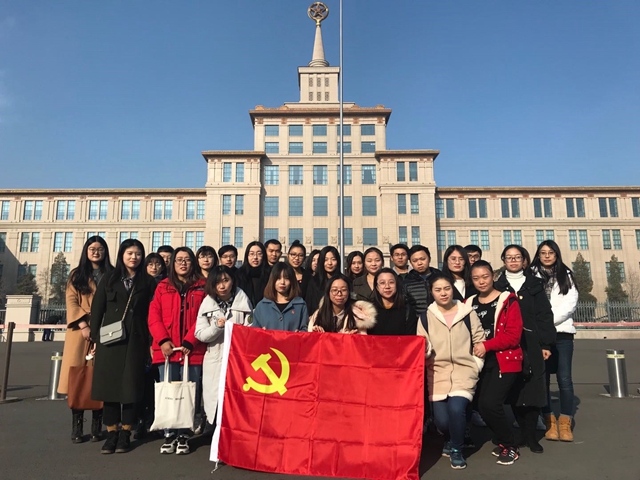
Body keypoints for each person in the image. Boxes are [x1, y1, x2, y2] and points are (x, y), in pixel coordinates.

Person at [89, 239, 156, 455]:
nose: (134, 257)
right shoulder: (109, 278)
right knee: (109, 387)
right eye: (130, 253)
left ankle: (126, 432)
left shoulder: (147, 281)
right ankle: (111, 433)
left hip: (137, 340)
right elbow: (97, 308)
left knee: (131, 386)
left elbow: (152, 312)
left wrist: (151, 341)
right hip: (110, 340)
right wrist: (95, 338)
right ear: (121, 255)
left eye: (138, 254)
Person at [416, 274, 485, 470]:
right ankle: (451, 435)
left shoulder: (467, 313)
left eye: (447, 288)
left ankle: (456, 448)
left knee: (456, 409)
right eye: (438, 290)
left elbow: (479, 339)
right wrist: (426, 351)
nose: (443, 293)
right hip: (437, 373)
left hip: (464, 371)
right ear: (431, 292)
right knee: (442, 422)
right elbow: (422, 345)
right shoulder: (425, 317)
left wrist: (476, 364)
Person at [494, 245, 555, 454]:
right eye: (509, 257)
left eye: (517, 257)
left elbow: (544, 315)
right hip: (509, 345)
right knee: (515, 389)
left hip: (532, 344)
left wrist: (545, 344)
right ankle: (520, 432)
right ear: (504, 260)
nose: (513, 260)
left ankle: (531, 436)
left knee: (534, 389)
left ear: (524, 261)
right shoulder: (498, 286)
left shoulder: (534, 285)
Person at [148, 247, 207, 455]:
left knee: (189, 393)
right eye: (179, 260)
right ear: (172, 263)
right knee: (169, 391)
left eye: (187, 260)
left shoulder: (202, 286)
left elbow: (204, 316)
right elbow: (154, 316)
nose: (183, 263)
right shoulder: (163, 286)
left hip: (192, 350)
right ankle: (169, 433)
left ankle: (184, 434)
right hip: (168, 350)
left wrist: (191, 340)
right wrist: (163, 340)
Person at [466, 261, 524, 465]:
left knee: (491, 404)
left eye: (485, 276)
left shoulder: (507, 300)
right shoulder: (468, 302)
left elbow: (513, 336)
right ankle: (502, 439)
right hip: (479, 361)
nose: (481, 281)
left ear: (493, 276)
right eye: (476, 278)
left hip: (504, 360)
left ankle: (510, 445)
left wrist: (487, 345)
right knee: (481, 405)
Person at [58, 235, 113, 444]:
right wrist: (83, 324)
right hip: (80, 332)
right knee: (78, 379)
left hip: (105, 329)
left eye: (100, 249)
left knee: (100, 378)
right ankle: (77, 427)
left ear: (105, 251)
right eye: (92, 249)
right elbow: (71, 301)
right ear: (86, 251)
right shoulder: (77, 275)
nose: (96, 252)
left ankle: (97, 427)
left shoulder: (112, 274)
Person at [530, 240, 578, 442]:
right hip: (540, 335)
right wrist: (542, 325)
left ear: (557, 254)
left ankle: (565, 422)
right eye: (543, 253)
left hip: (562, 333)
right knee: (543, 379)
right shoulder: (531, 275)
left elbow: (570, 303)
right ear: (538, 255)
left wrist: (547, 321)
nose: (547, 256)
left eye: (551, 252)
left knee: (564, 379)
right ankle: (548, 420)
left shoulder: (566, 275)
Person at [195, 266, 252, 428]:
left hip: (237, 359)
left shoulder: (243, 301)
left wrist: (237, 330)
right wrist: (217, 327)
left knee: (235, 398)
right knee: (214, 397)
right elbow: (200, 334)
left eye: (226, 281)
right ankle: (213, 429)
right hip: (214, 357)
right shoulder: (207, 303)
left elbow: (250, 330)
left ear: (232, 281)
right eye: (217, 282)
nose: (222, 286)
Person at [308, 274, 376, 334]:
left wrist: (353, 338)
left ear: (349, 292)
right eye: (335, 290)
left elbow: (363, 340)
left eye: (344, 290)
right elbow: (310, 340)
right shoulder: (318, 314)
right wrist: (316, 334)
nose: (339, 294)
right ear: (328, 293)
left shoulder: (358, 317)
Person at [252, 263, 309, 331]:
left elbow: (305, 329)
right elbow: (254, 331)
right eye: (278, 278)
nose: (282, 282)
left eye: (286, 278)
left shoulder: (300, 305)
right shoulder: (262, 306)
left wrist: (300, 333)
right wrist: (260, 333)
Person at [369, 268, 416, 335]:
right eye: (382, 283)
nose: (387, 286)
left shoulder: (407, 310)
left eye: (391, 282)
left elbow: (411, 337)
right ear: (377, 287)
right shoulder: (369, 310)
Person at [404, 245, 442, 314]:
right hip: (418, 320)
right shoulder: (406, 282)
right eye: (415, 261)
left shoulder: (441, 278)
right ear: (411, 263)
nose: (419, 263)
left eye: (422, 259)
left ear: (429, 259)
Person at [303, 246, 341, 314]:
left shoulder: (343, 281)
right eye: (326, 260)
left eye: (333, 259)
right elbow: (309, 305)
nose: (330, 263)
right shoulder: (314, 281)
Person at [235, 241, 270, 308]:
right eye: (251, 254)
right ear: (247, 256)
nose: (255, 257)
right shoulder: (239, 275)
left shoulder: (270, 274)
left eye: (259, 254)